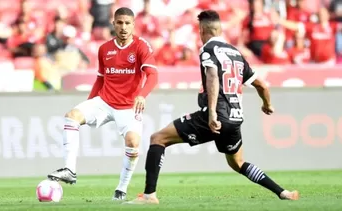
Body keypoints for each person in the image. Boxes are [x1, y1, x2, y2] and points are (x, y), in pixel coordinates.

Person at [127, 10, 299, 204]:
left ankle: (149, 195)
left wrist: (211, 114)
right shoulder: (235, 53)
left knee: (157, 138)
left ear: (202, 31)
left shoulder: (208, 50)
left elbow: (212, 77)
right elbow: (262, 85)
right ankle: (282, 192)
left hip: (214, 116)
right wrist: (267, 104)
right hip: (234, 119)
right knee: (238, 163)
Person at [47, 7, 158, 200]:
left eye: (127, 23)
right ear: (113, 23)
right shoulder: (104, 49)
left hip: (129, 106)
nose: (123, 27)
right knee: (72, 116)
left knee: (133, 142)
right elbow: (100, 79)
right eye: (120, 22)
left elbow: (153, 76)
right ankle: (70, 170)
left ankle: (121, 189)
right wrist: (88, 104)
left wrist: (142, 95)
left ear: (133, 25)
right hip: (105, 101)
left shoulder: (141, 46)